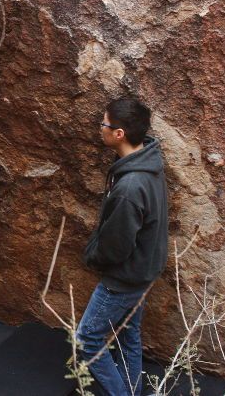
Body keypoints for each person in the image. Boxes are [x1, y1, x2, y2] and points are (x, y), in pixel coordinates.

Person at [77, 98, 169, 396]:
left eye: (103, 123)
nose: (99, 128)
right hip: (144, 271)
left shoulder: (130, 187)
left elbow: (115, 249)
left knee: (87, 342)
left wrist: (92, 255)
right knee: (129, 336)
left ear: (118, 134)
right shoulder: (148, 162)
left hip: (125, 278)